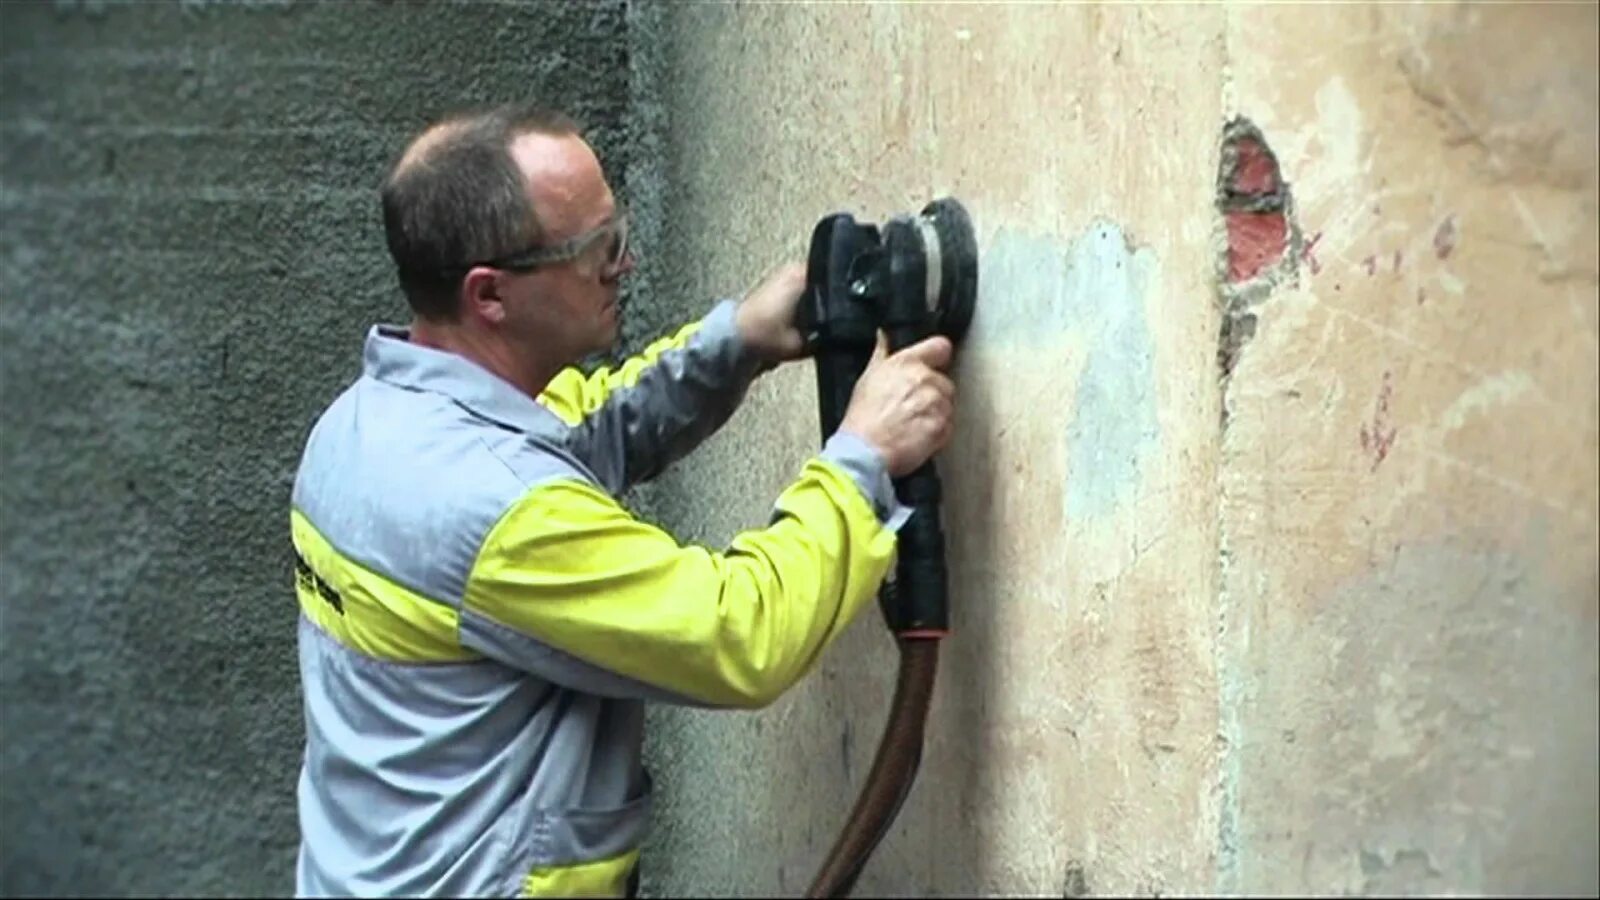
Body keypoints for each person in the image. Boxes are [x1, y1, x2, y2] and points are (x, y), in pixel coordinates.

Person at [289, 101, 957, 898]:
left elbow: (579, 431)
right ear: (490, 295)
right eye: (596, 249)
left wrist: (737, 340)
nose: (624, 265)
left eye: (620, 233)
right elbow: (737, 634)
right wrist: (865, 457)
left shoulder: (366, 425)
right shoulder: (493, 510)